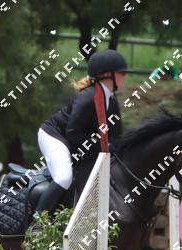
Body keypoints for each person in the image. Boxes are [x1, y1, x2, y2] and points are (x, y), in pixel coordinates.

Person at [33, 48, 128, 226]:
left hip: (75, 141)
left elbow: (117, 136)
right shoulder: (88, 97)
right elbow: (73, 131)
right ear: (107, 75)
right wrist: (100, 149)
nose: (125, 76)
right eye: (121, 73)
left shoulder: (111, 101)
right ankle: (37, 223)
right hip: (54, 136)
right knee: (64, 177)